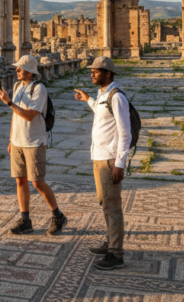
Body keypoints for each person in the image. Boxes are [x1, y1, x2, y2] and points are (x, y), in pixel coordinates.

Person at [0, 54, 67, 236]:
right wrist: (11, 139)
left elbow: (28, 115)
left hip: (34, 141)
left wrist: (8, 102)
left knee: (37, 182)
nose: (17, 71)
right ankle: (25, 221)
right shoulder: (18, 86)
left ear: (30, 71)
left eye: (20, 68)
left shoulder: (39, 89)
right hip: (18, 141)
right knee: (20, 181)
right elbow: (15, 116)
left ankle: (58, 216)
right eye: (17, 68)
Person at [73, 56, 131, 271]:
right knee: (105, 203)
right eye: (92, 71)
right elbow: (101, 113)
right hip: (98, 157)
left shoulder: (117, 97)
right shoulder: (102, 94)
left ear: (108, 73)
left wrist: (120, 163)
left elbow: (125, 132)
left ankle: (116, 254)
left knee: (113, 205)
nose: (92, 74)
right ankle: (110, 242)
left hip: (110, 159)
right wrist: (88, 99)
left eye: (96, 71)